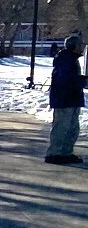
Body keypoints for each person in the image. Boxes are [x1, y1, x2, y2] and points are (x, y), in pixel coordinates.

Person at [49, 33, 85, 164]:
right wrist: (83, 81)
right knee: (61, 127)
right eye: (80, 44)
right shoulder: (65, 60)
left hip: (72, 98)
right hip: (64, 100)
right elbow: (65, 80)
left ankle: (65, 152)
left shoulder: (71, 59)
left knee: (72, 128)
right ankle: (54, 153)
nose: (83, 47)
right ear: (73, 46)